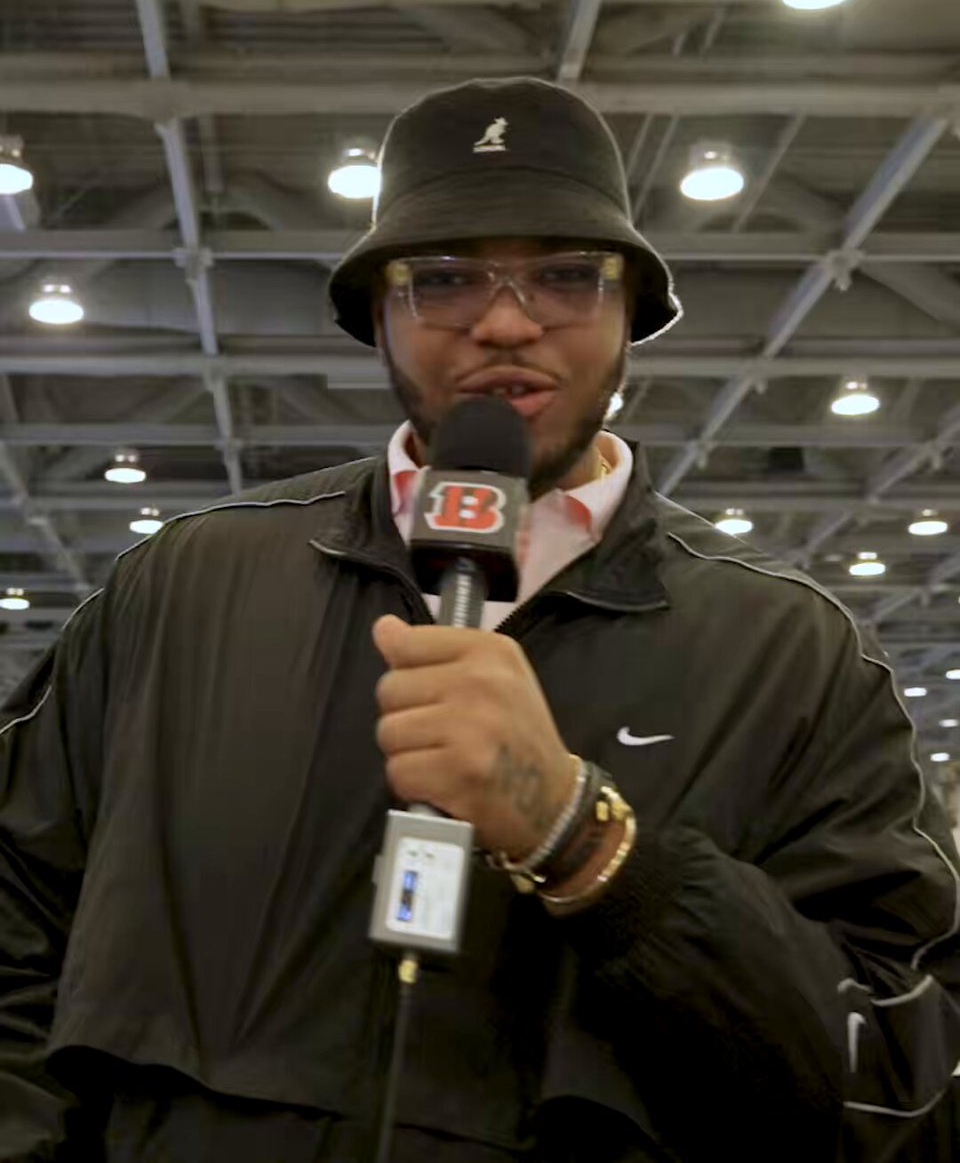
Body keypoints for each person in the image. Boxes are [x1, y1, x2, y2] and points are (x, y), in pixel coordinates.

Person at [1, 76, 959, 1163]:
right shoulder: (182, 587)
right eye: (445, 278)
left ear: (631, 312)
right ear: (378, 313)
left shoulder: (792, 652)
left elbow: (906, 1088)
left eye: (566, 275)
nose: (505, 321)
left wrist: (590, 844)